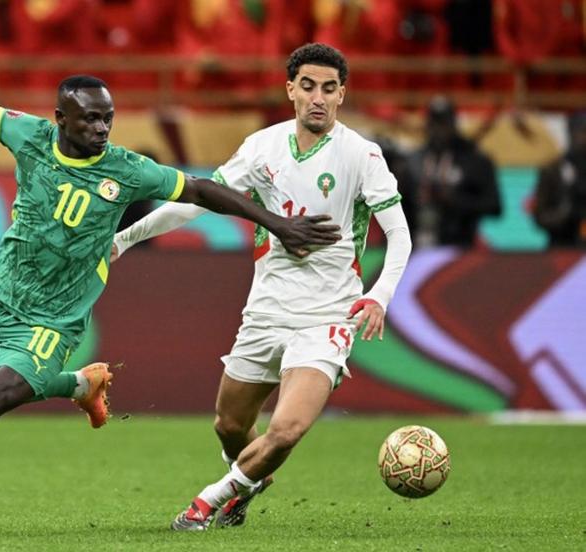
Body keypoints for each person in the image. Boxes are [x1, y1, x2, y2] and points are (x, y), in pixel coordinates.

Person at [0, 12, 337, 538]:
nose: (101, 128)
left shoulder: (127, 169)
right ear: (61, 119)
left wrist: (277, 223)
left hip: (54, 315)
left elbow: (202, 190)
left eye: (107, 119)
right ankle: (78, 385)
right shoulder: (29, 137)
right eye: (90, 119)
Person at [112, 43, 413, 530]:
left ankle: (208, 501)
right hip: (266, 311)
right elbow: (197, 201)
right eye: (309, 86)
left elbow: (399, 234)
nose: (318, 97)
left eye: (330, 88)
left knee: (287, 429)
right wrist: (125, 239)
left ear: (342, 95)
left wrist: (379, 294)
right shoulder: (262, 147)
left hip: (327, 316)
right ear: (290, 89)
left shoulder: (363, 155)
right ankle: (251, 480)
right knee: (229, 425)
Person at [406, 96, 501, 247]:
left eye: (444, 124)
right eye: (435, 124)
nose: (439, 130)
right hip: (418, 246)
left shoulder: (474, 160)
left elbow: (494, 206)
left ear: (453, 124)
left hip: (460, 246)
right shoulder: (414, 160)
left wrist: (454, 200)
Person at [533, 111, 586, 247]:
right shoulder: (553, 170)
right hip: (561, 246)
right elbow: (540, 216)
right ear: (570, 133)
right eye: (582, 132)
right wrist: (565, 213)